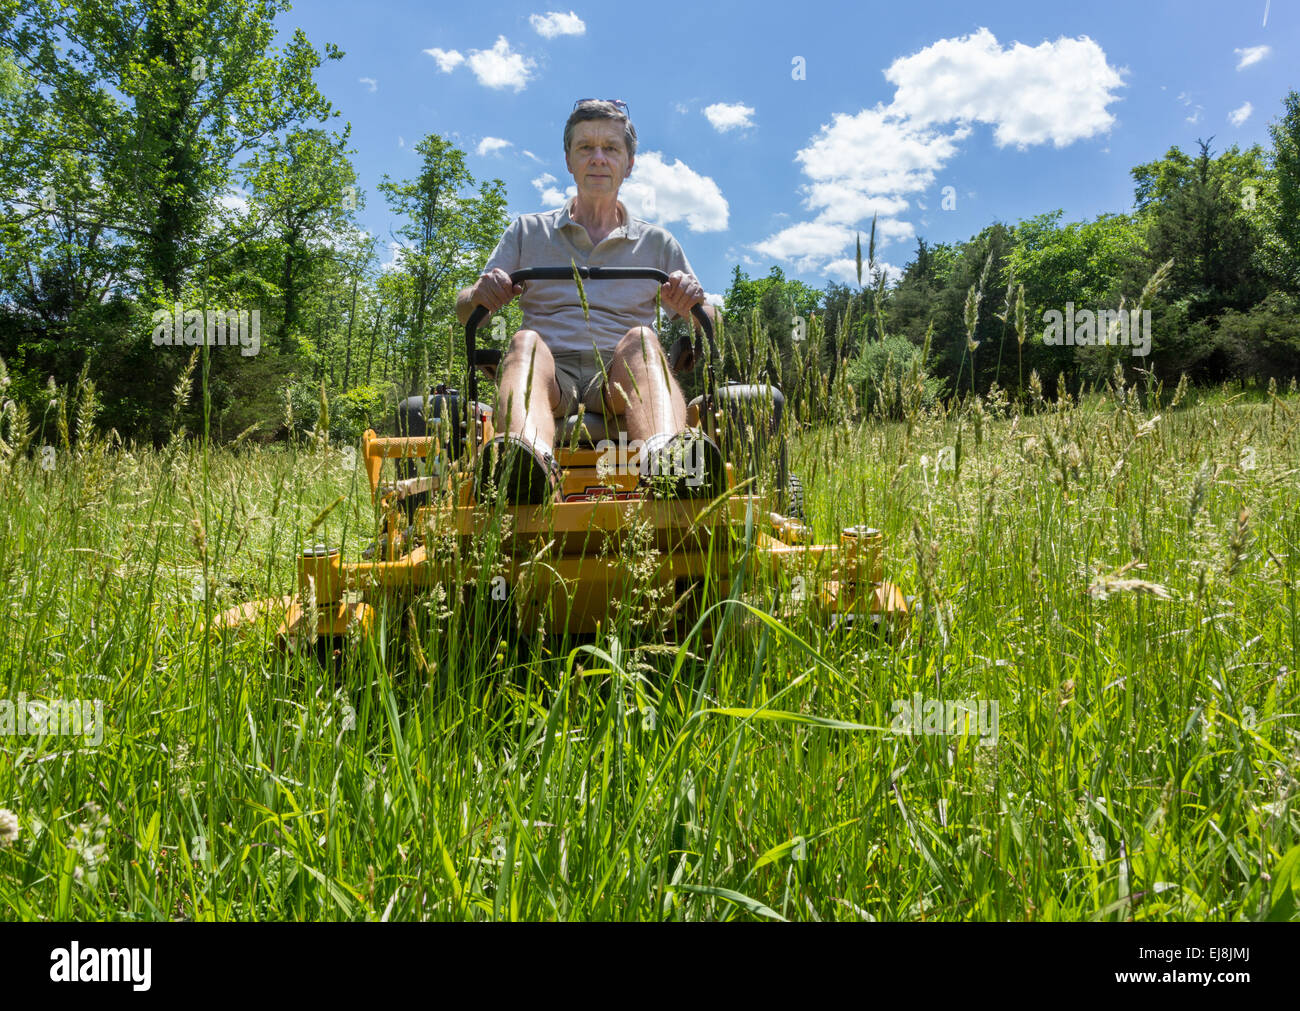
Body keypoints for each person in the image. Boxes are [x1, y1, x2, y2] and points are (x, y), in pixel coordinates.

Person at [455, 99, 723, 504]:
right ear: (568, 159)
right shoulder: (528, 231)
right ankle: (528, 470)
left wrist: (692, 303)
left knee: (642, 339)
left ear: (629, 163)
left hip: (619, 375)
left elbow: (710, 320)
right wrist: (479, 294)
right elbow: (464, 310)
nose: (598, 158)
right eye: (585, 147)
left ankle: (667, 462)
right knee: (524, 341)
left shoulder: (657, 242)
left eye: (611, 148)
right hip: (550, 375)